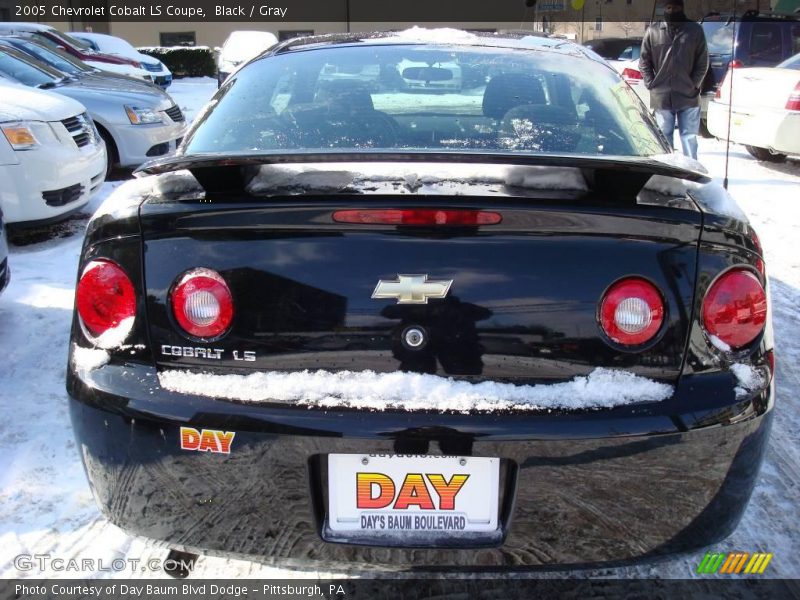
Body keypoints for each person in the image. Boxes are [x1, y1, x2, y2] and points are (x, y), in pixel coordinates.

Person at [639, 0, 709, 159]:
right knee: (664, 137)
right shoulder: (653, 31)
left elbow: (702, 62)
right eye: (669, 7)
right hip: (662, 95)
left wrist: (694, 84)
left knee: (689, 137)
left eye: (675, 7)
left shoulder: (695, 30)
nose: (671, 11)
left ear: (682, 8)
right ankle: (669, 173)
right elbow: (644, 61)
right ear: (664, 9)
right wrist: (651, 84)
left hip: (688, 95)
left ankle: (691, 172)